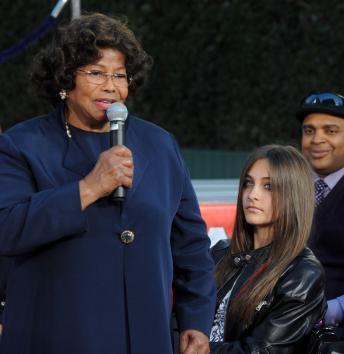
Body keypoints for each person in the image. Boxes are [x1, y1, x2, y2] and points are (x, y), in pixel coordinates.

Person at [0, 13, 216, 354]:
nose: (111, 86)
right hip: (58, 334)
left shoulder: (159, 145)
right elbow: (6, 227)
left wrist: (196, 321)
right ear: (65, 79)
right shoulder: (22, 145)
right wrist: (88, 189)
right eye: (96, 73)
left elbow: (190, 245)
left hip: (146, 337)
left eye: (120, 75)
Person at [209, 145, 326, 353]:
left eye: (269, 186)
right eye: (248, 183)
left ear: (293, 195)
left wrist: (193, 348)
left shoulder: (303, 274)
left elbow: (261, 351)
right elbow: (177, 317)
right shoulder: (220, 253)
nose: (252, 195)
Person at [297, 92, 344, 333]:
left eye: (331, 131)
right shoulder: (286, 188)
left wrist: (333, 310)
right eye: (309, 131)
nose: (317, 139)